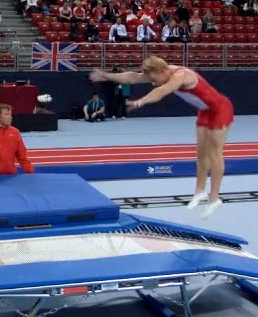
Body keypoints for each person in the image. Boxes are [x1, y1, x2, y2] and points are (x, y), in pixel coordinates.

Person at [91, 56, 234, 218]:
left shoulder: (181, 76)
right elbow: (132, 77)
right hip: (205, 111)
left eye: (153, 78)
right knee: (201, 154)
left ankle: (214, 198)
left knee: (214, 153)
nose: (152, 82)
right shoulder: (162, 72)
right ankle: (199, 192)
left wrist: (141, 101)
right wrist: (106, 76)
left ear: (163, 71)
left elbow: (162, 91)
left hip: (221, 109)